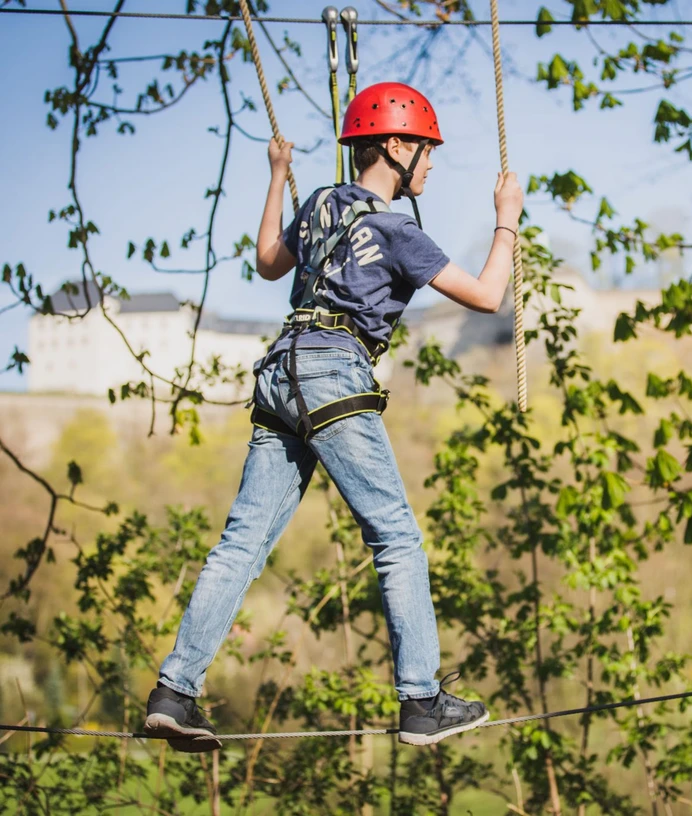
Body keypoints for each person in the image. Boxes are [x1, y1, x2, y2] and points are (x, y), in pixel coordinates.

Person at [143, 82, 523, 753]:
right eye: (427, 149)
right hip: (332, 372)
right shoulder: (400, 232)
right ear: (396, 146)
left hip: (281, 370)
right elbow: (490, 296)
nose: (432, 163)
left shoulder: (321, 203)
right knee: (397, 538)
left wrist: (278, 176)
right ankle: (421, 699)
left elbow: (268, 263)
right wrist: (507, 219)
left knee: (240, 545)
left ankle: (174, 692)